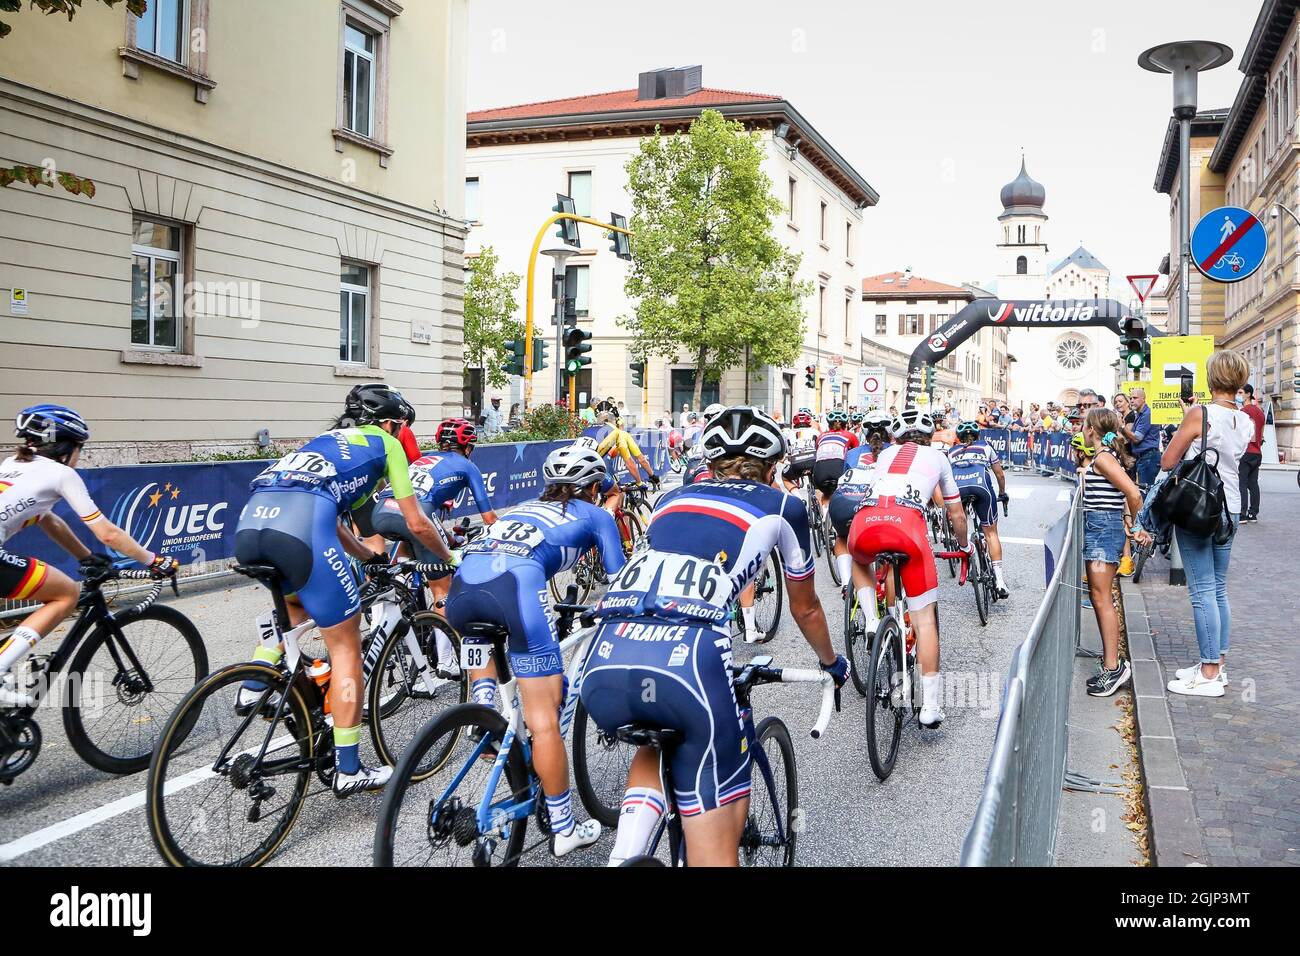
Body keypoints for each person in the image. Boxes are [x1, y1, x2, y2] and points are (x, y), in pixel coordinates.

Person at [580, 407, 848, 866]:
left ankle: (623, 855)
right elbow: (805, 606)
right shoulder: (783, 506)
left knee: (654, 738)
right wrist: (830, 662)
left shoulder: (670, 498)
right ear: (773, 466)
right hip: (691, 664)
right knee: (714, 852)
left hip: (605, 655)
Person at [234, 385, 455, 795]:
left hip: (252, 527)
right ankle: (349, 768)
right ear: (391, 423)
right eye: (401, 426)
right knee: (346, 645)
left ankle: (254, 687)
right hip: (300, 530)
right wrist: (448, 558)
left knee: (296, 613)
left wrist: (370, 560)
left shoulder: (323, 442)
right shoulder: (387, 443)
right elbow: (419, 522)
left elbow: (335, 522)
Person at [446, 444, 625, 856]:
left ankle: (487, 714)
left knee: (502, 695)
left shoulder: (524, 507)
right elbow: (619, 580)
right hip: (515, 591)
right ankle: (563, 828)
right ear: (594, 487)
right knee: (544, 718)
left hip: (463, 591)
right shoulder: (596, 514)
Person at [0, 406, 180, 706]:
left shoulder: (10, 465)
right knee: (66, 593)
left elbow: (48, 519)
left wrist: (86, 557)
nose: (79, 455)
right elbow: (107, 533)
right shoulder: (61, 473)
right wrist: (153, 560)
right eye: (80, 448)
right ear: (67, 446)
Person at [846, 407, 968, 728]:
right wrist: (965, 545)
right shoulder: (939, 457)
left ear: (893, 437)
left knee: (859, 558)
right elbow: (956, 514)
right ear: (929, 438)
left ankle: (873, 620)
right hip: (907, 528)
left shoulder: (884, 455)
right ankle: (929, 706)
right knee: (925, 620)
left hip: (866, 523)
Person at [1161, 351, 1252, 698]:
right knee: (1217, 589)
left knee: (1201, 592)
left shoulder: (1200, 414)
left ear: (1212, 379)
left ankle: (1210, 672)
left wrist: (1188, 423)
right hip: (1229, 506)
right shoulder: (1244, 419)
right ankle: (1216, 665)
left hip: (1199, 506)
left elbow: (1170, 459)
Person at [372, 417, 499, 608]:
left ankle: (395, 591)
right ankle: (446, 637)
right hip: (415, 515)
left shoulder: (424, 458)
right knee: (442, 590)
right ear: (467, 448)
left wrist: (450, 539)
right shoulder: (468, 466)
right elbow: (489, 519)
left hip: (380, 511)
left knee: (410, 547)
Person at [1078, 408, 1149, 697]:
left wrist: (1140, 526)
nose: (1081, 430)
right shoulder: (1103, 457)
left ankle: (1113, 668)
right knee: (1098, 596)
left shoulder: (1105, 458)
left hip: (1103, 530)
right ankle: (1112, 665)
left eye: (1084, 426)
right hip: (1101, 528)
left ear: (1092, 430)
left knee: (1101, 596)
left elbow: (1133, 493)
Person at [948, 420, 1011, 597]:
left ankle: (965, 549)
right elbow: (999, 474)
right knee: (991, 533)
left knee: (960, 520)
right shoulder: (986, 446)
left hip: (958, 489)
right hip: (981, 486)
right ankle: (999, 581)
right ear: (977, 436)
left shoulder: (951, 451)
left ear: (959, 438)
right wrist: (1003, 493)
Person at [595, 412, 659, 489]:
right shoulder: (620, 434)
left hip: (584, 466)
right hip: (603, 467)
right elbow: (637, 460)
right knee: (617, 494)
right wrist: (643, 480)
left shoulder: (588, 429)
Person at [811, 408, 859, 508]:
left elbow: (818, 451)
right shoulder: (851, 435)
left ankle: (823, 516)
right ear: (845, 424)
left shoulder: (821, 436)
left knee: (825, 493)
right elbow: (856, 456)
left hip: (820, 472)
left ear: (829, 424)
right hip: (839, 470)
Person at [1122, 387, 1160, 490]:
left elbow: (1137, 438)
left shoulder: (1147, 414)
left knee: (1145, 491)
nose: (1132, 401)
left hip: (1148, 458)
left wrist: (1121, 427)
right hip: (1144, 458)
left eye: (1135, 398)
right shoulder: (1140, 414)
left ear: (1143, 399)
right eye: (1130, 398)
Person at [1236, 383, 1264, 522]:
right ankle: (1253, 513)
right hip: (1257, 452)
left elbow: (1239, 434)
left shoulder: (1243, 412)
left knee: (1242, 483)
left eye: (1240, 393)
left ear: (1248, 394)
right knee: (1253, 484)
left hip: (1246, 451)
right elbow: (1262, 434)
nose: (1238, 395)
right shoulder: (1260, 412)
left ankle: (1242, 513)